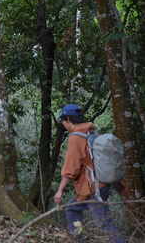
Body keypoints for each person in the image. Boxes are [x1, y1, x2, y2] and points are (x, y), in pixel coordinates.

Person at [54, 104, 126, 243]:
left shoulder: (76, 137)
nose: (63, 125)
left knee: (104, 222)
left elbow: (71, 167)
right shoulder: (90, 132)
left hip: (94, 188)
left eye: (63, 121)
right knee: (72, 209)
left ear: (68, 119)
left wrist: (60, 190)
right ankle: (79, 237)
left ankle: (117, 240)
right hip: (101, 185)